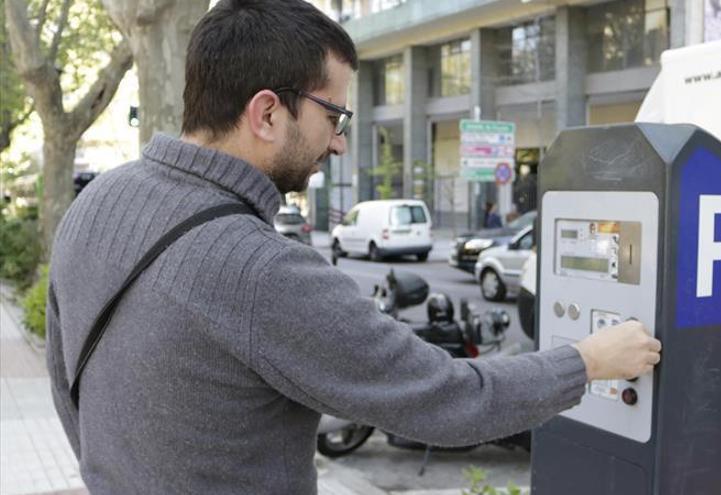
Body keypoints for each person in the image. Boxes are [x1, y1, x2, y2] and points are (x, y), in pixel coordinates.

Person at [45, 1, 661, 492]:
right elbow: (448, 403)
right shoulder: (261, 270)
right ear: (266, 113)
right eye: (334, 117)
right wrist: (587, 360)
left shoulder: (98, 201)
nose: (338, 143)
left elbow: (66, 382)